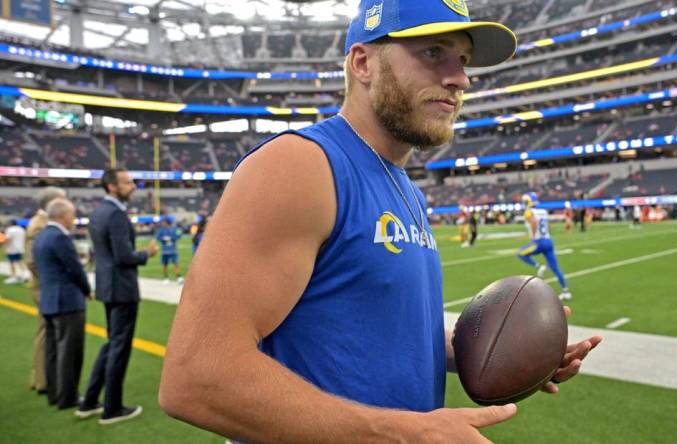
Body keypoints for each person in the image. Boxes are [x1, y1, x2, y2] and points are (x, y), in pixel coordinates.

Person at [160, 2, 601, 442]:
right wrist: (405, 433)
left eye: (463, 61)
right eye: (434, 53)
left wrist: (505, 350)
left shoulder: (406, 188)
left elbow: (382, 332)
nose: (460, 78)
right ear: (363, 62)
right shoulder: (299, 165)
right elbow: (197, 377)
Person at [78, 168, 158, 424]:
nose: (133, 186)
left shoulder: (99, 211)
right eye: (127, 182)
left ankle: (90, 401)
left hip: (107, 285)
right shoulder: (116, 215)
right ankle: (112, 408)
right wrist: (147, 254)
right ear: (112, 186)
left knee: (111, 344)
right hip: (121, 288)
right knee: (119, 348)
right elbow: (124, 256)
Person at [32, 198, 91, 409]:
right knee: (69, 352)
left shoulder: (41, 237)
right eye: (72, 214)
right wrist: (86, 290)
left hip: (48, 300)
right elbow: (74, 268)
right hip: (67, 301)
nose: (73, 218)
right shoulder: (59, 237)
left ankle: (55, 394)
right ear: (63, 215)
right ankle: (68, 397)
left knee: (52, 351)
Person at [23, 186, 67, 394]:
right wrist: (52, 282)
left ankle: (41, 377)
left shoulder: (40, 224)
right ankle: (43, 379)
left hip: (45, 286)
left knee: (47, 332)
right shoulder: (39, 225)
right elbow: (32, 261)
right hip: (45, 287)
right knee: (46, 333)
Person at [517, 193, 572, 301]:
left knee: (521, 253)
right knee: (555, 267)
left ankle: (538, 266)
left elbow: (533, 222)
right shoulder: (543, 211)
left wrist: (533, 236)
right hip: (548, 241)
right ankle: (566, 291)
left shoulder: (529, 212)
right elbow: (548, 227)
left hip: (539, 242)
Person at [155, 218, 183, 284]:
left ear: (167, 222)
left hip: (173, 250)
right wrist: (163, 238)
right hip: (165, 250)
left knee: (176, 263)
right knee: (165, 264)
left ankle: (178, 277)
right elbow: (157, 237)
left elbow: (179, 234)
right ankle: (166, 277)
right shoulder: (161, 230)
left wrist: (172, 237)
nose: (162, 223)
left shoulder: (174, 228)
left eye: (163, 222)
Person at [4, 219, 28, 284]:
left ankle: (14, 277)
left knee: (12, 262)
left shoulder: (10, 230)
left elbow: (7, 239)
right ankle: (25, 274)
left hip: (12, 249)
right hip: (20, 248)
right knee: (20, 261)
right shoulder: (21, 229)